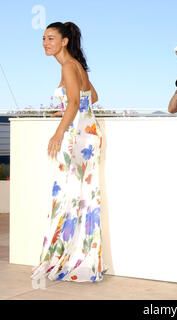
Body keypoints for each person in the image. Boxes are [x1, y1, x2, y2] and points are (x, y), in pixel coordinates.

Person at [31, 22, 104, 282]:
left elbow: (75, 101)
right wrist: (66, 111)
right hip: (88, 135)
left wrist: (60, 130)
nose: (45, 43)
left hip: (77, 139)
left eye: (51, 38)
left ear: (64, 41)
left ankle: (65, 260)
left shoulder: (67, 65)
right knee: (80, 198)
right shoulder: (75, 65)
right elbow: (90, 97)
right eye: (43, 38)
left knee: (68, 198)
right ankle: (75, 259)